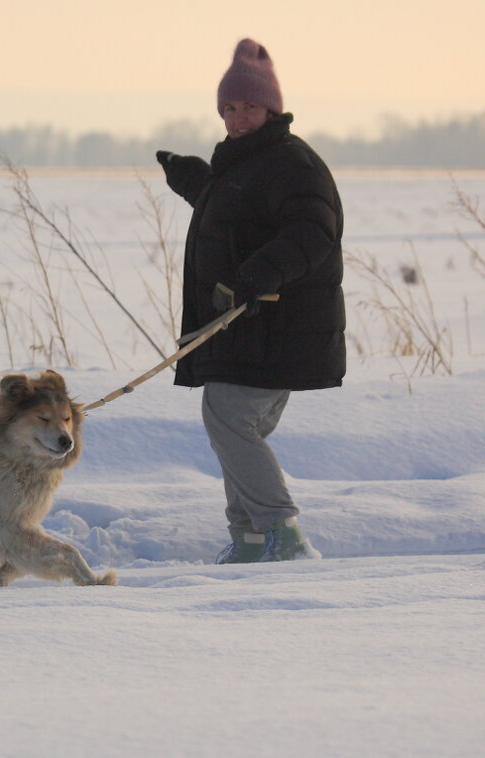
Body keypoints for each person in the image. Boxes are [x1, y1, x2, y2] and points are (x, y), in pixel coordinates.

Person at [156, 38, 345, 563]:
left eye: (250, 107)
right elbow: (248, 218)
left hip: (275, 324)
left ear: (273, 109)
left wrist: (254, 277)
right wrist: (203, 185)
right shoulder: (250, 162)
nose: (238, 118)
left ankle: (280, 532)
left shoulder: (292, 163)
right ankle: (252, 539)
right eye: (230, 108)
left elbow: (312, 231)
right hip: (250, 327)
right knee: (231, 420)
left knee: (228, 419)